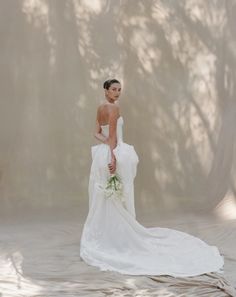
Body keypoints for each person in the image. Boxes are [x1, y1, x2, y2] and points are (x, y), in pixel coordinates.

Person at [79, 79, 224, 276]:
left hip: (102, 155)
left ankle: (106, 236)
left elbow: (97, 133)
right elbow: (112, 136)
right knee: (115, 194)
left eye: (120, 90)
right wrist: (113, 157)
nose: (117, 93)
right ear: (106, 90)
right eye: (114, 89)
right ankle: (118, 238)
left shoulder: (100, 108)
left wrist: (105, 147)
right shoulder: (113, 109)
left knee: (107, 195)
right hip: (115, 154)